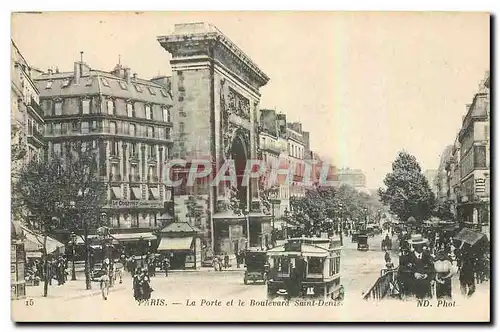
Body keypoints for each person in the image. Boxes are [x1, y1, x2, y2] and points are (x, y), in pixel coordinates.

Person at [408, 234, 435, 299]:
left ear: (423, 245)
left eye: (420, 245)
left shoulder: (428, 256)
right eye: (416, 245)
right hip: (413, 289)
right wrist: (414, 274)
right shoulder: (408, 257)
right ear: (413, 246)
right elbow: (404, 271)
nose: (419, 247)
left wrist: (427, 275)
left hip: (426, 288)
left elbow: (432, 269)